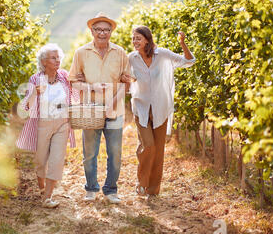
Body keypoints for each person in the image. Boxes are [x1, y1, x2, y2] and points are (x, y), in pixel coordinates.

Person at [69, 12, 131, 204]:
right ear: (92, 31)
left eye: (106, 29)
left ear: (111, 32)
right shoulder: (81, 53)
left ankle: (111, 190)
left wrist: (112, 104)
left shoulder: (120, 53)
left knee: (115, 153)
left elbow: (126, 82)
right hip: (90, 111)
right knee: (89, 153)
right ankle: (91, 188)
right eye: (98, 29)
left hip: (115, 111)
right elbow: (73, 81)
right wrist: (90, 87)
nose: (102, 33)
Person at [129, 25, 195, 198]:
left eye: (138, 38)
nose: (135, 41)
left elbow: (188, 61)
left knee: (158, 151)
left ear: (147, 39)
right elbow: (122, 75)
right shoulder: (131, 58)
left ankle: (153, 190)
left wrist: (183, 44)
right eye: (133, 38)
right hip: (141, 108)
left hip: (160, 108)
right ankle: (141, 184)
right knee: (147, 145)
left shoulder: (163, 55)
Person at [16, 43, 76, 208]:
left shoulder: (63, 76)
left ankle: (48, 197)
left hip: (62, 123)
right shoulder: (35, 79)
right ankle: (42, 188)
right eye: (53, 58)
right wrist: (35, 92)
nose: (57, 60)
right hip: (42, 124)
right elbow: (25, 106)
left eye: (58, 57)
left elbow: (75, 93)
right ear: (43, 62)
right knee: (41, 161)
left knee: (56, 160)